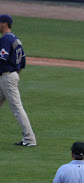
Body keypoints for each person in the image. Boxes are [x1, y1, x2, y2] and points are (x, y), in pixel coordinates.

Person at [0, 14, 36, 146]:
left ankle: (30, 138)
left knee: (17, 108)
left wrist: (10, 76)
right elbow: (22, 62)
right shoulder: (16, 40)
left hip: (7, 77)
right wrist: (15, 75)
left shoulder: (5, 40)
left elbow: (1, 59)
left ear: (4, 24)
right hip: (10, 76)